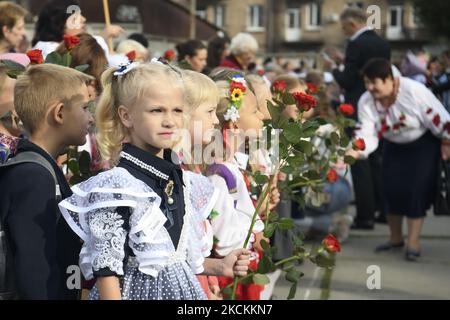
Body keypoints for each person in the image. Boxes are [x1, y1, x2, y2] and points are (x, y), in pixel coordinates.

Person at [58, 62, 250, 300]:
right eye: (157, 111)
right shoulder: (118, 186)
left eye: (177, 110)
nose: (169, 121)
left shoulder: (184, 182)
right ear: (126, 116)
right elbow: (107, 275)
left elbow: (172, 259)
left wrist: (219, 267)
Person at [0, 64, 94, 299]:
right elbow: (35, 268)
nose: (91, 118)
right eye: (85, 108)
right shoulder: (33, 175)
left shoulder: (43, 168)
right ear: (59, 113)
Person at [351, 58, 450, 261]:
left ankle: (413, 242)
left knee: (416, 192)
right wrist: (354, 151)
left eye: (374, 82)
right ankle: (395, 239)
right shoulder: (366, 100)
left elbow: (439, 117)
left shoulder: (414, 90)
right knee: (390, 190)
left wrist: (447, 141)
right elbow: (366, 133)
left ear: (389, 79)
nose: (370, 88)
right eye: (366, 83)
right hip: (393, 145)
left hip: (422, 145)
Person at [324, 7, 391, 229]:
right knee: (377, 160)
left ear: (352, 24)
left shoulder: (356, 44)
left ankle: (365, 216)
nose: (344, 32)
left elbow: (347, 80)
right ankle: (383, 210)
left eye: (344, 28)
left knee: (359, 159)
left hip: (356, 107)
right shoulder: (381, 43)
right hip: (380, 104)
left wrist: (333, 68)